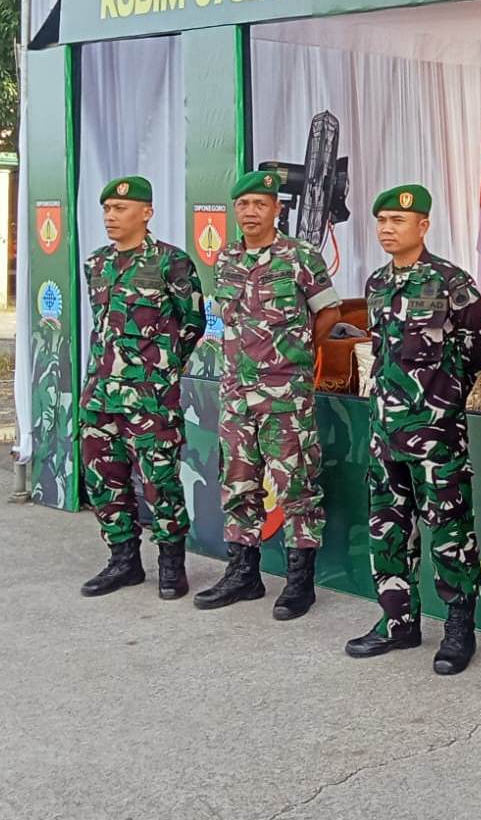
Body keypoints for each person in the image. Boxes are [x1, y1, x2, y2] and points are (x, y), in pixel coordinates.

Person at [345, 185, 481, 673]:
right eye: (382, 220)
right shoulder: (377, 283)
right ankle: (398, 621)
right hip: (385, 431)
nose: (387, 229)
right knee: (389, 527)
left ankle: (459, 627)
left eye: (398, 221)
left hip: (436, 433)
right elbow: (381, 351)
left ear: (423, 226)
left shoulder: (451, 282)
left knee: (450, 528)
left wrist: (442, 396)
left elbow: (477, 348)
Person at [194, 169, 344, 620]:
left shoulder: (299, 256)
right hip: (236, 395)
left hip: (284, 397)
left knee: (296, 487)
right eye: (243, 204)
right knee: (238, 484)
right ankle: (244, 573)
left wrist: (295, 353)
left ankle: (300, 583)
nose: (251, 211)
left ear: (277, 209)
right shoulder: (227, 259)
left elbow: (329, 312)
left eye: (261, 204)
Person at [77, 175, 205, 600]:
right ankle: (123, 560)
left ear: (146, 213)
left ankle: (171, 564)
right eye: (107, 209)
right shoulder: (97, 264)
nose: (110, 217)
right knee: (104, 479)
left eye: (120, 209)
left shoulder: (171, 262)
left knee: (160, 481)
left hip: (150, 399)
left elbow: (192, 323)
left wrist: (160, 370)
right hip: (100, 396)